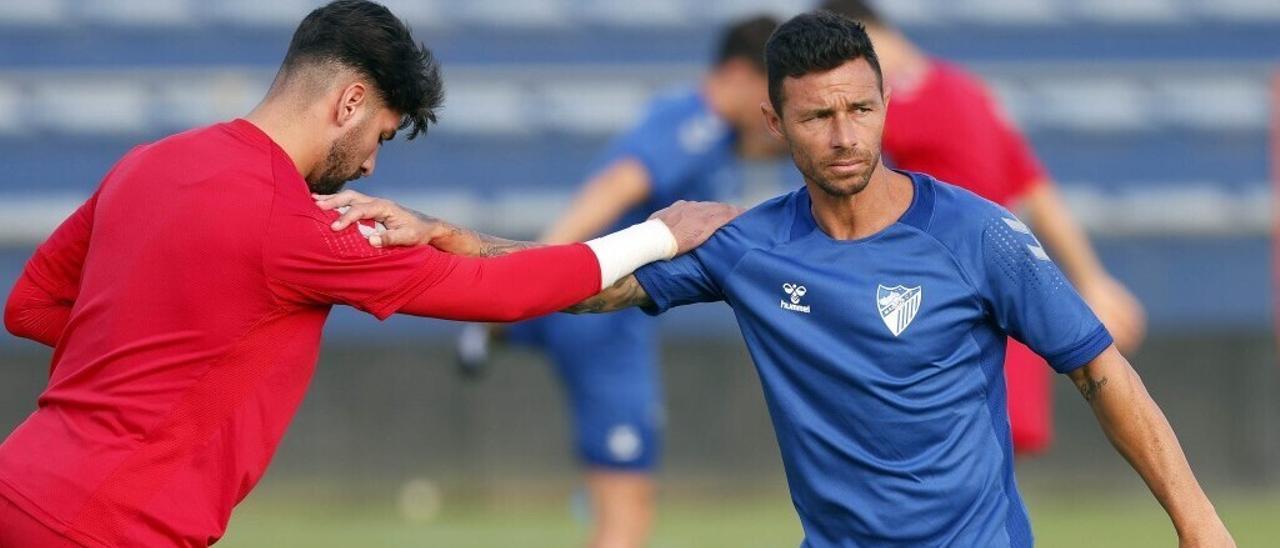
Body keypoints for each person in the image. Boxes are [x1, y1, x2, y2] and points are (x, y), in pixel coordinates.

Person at [326, 12, 1233, 546]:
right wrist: (444, 235)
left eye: (861, 110)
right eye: (819, 117)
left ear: (883, 104)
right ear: (774, 121)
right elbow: (588, 283)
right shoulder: (746, 245)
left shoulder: (978, 234)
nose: (845, 137)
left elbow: (1102, 370)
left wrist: (1199, 526)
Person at [0, 2, 739, 546]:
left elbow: (29, 305)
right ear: (349, 101)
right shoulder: (304, 226)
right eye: (380, 135)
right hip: (111, 527)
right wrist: (657, 236)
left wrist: (146, 367)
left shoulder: (146, 162)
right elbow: (505, 293)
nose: (372, 165)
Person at [454, 14, 780, 548]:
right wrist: (536, 271)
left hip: (596, 312)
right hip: (605, 321)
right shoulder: (694, 128)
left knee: (617, 505)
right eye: (772, 92)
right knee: (625, 516)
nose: (775, 113)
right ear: (743, 74)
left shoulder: (696, 124)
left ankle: (494, 331)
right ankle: (498, 321)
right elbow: (612, 188)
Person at [820, 0, 1146, 456]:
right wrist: (1091, 277)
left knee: (951, 440)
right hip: (995, 278)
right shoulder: (966, 90)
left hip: (946, 288)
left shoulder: (887, 107)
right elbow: (1033, 186)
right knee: (988, 441)